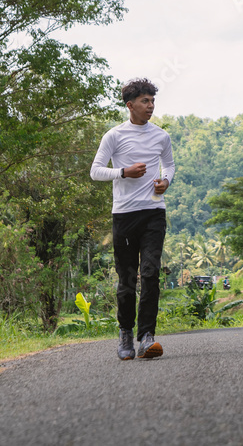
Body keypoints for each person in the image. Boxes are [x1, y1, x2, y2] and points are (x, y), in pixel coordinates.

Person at [90, 78, 175, 360]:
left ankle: (147, 336)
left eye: (153, 101)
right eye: (145, 101)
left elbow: (169, 165)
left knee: (150, 274)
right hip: (124, 215)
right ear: (130, 105)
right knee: (127, 279)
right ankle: (125, 332)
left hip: (154, 212)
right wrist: (123, 172)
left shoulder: (161, 136)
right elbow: (95, 171)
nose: (150, 106)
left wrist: (165, 181)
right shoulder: (114, 136)